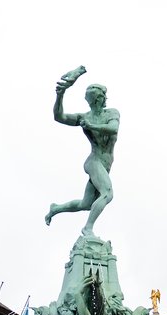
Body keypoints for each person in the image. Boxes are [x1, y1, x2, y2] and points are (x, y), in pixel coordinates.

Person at [45, 70, 119, 237]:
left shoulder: (111, 113)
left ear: (100, 98)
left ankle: (55, 208)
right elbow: (59, 116)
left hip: (105, 164)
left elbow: (113, 128)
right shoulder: (83, 117)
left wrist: (91, 126)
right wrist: (60, 95)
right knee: (107, 193)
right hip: (94, 162)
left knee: (86, 204)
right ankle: (88, 228)